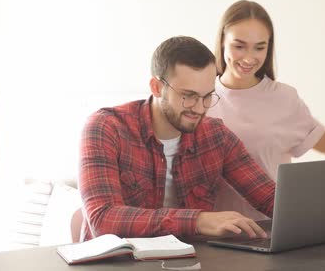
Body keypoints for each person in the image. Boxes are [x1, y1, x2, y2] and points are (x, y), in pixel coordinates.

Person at [209, 0, 325, 236]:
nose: (249, 57)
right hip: (213, 234)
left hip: (270, 230)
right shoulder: (200, 97)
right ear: (222, 41)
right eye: (239, 46)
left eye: (259, 47)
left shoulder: (283, 98)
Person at [79, 36, 275, 240]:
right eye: (188, 96)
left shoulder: (217, 137)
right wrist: (198, 221)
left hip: (189, 261)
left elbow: (269, 197)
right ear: (156, 87)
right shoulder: (106, 128)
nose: (200, 108)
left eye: (207, 96)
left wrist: (305, 211)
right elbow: (102, 220)